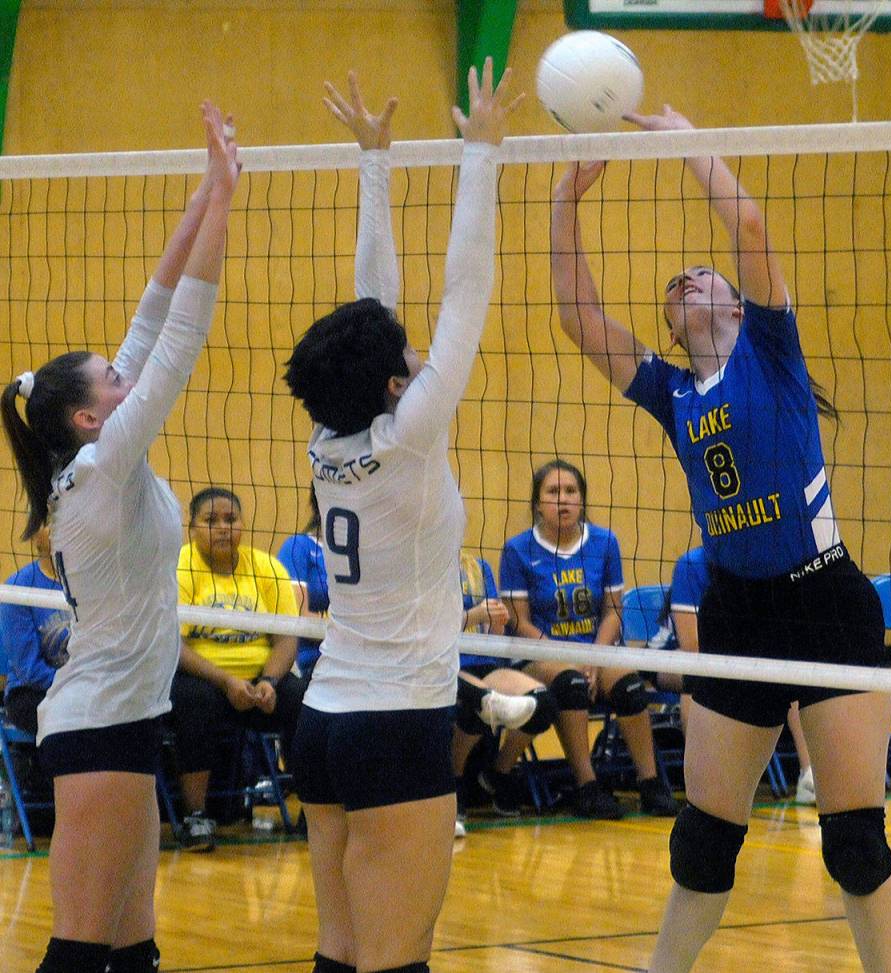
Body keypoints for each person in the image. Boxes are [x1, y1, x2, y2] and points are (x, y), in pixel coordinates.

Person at [550, 104, 891, 972]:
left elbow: (747, 219)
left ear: (739, 305)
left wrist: (686, 147)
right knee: (705, 842)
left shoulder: (771, 350)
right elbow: (579, 319)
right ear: (673, 329)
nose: (687, 283)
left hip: (826, 601)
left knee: (854, 842)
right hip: (737, 612)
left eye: (702, 276)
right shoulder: (673, 395)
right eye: (674, 288)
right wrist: (565, 202)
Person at [283, 64, 522, 973]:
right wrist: (481, 154)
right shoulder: (413, 433)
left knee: (344, 952)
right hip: (394, 723)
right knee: (392, 960)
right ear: (393, 383)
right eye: (403, 357)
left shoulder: (327, 436)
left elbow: (371, 307)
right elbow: (465, 291)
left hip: (327, 722)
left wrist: (374, 165)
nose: (415, 350)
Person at [0, 102, 238, 973]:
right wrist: (226, 207)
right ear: (87, 415)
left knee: (136, 948)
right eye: (111, 377)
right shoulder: (100, 471)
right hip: (97, 722)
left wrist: (206, 189)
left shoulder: (98, 450)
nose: (124, 371)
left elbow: (151, 310)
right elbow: (178, 338)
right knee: (81, 946)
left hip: (130, 716)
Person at [500, 458, 680, 820]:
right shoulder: (518, 549)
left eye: (571, 491)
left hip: (594, 650)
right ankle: (586, 785)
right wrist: (570, 659)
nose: (563, 499)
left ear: (581, 500)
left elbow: (614, 611)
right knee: (570, 684)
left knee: (630, 685)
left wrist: (595, 659)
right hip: (538, 653)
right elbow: (519, 621)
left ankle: (649, 782)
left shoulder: (604, 542)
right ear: (537, 503)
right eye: (553, 492)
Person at [172, 486, 304, 851]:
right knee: (193, 701)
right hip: (203, 679)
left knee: (306, 699)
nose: (222, 528)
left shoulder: (265, 566)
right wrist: (227, 681)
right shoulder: (181, 566)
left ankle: (314, 806)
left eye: (230, 519)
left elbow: (287, 637)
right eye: (210, 520)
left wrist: (270, 681)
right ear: (193, 527)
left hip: (260, 683)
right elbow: (172, 644)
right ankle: (196, 817)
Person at [650, 547, 816, 804]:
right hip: (672, 655)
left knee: (788, 674)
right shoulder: (692, 565)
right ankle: (705, 787)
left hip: (734, 656)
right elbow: (692, 644)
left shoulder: (765, 562)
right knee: (699, 678)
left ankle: (809, 776)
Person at [454, 551, 557, 830]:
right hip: (443, 663)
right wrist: (472, 615)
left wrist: (495, 621)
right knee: (473, 703)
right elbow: (423, 628)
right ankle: (453, 784)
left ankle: (498, 772)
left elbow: (494, 635)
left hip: (485, 663)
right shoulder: (416, 567)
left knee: (542, 704)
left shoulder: (477, 567)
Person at [1, 524, 72, 736]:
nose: (56, 528)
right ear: (34, 536)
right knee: (70, 717)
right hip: (30, 691)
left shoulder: (89, 583)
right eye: (48, 521)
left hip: (83, 684)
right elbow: (29, 670)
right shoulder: (18, 587)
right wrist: (75, 685)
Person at [277, 484, 329, 678]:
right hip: (313, 660)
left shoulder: (362, 552)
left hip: (359, 656)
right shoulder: (298, 547)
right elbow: (299, 613)